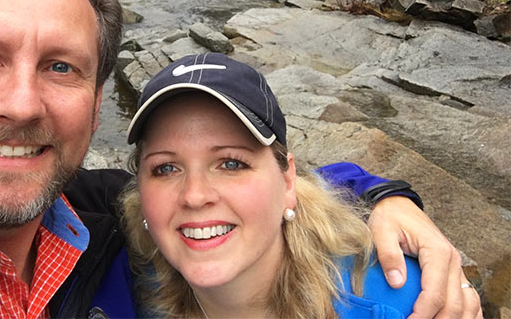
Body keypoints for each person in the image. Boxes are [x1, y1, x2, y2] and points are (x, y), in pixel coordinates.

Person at [0, 0, 479, 318]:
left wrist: (383, 195)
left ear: (93, 99)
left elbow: (240, 192)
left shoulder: (94, 224)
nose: (22, 105)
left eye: (60, 66)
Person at [120, 53, 483, 319]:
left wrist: (390, 195)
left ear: (288, 180)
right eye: (166, 168)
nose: (195, 195)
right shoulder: (131, 276)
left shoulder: (403, 303)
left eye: (231, 163)